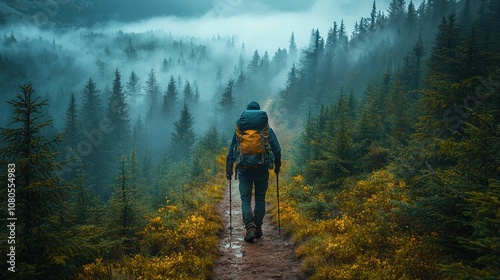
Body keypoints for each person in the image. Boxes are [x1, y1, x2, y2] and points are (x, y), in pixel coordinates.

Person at [226, 101, 281, 243]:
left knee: (245, 199)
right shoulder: (265, 129)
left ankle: (249, 228)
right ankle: (257, 227)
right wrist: (277, 166)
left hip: (244, 168)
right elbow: (277, 149)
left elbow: (232, 148)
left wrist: (229, 168)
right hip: (261, 168)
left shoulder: (241, 128)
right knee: (260, 198)